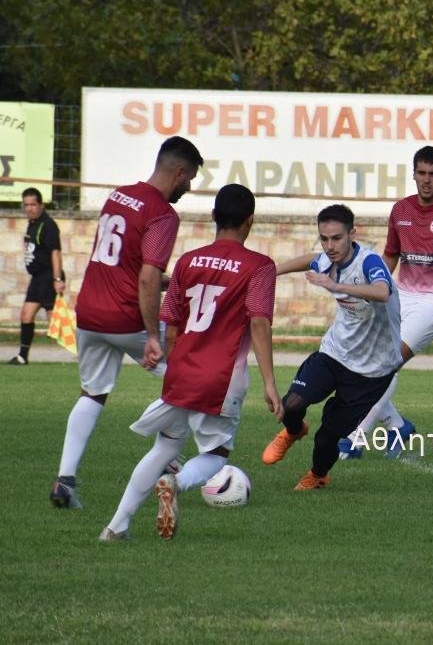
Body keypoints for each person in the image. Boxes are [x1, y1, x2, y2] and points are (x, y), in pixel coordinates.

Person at [99, 184, 281, 541]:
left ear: (214, 217)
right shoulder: (260, 266)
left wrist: (173, 363)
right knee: (216, 453)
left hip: (183, 372)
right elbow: (259, 321)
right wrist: (271, 384)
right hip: (223, 377)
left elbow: (171, 323)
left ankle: (116, 526)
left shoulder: (187, 261)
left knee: (165, 447)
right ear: (250, 221)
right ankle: (175, 482)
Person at [50, 136, 203, 509]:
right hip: (126, 316)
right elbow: (148, 276)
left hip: (88, 311)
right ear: (179, 172)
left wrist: (162, 283)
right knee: (187, 377)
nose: (189, 187)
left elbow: (126, 262)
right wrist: (153, 335)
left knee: (93, 394)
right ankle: (171, 455)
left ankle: (64, 482)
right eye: (190, 179)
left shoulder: (119, 195)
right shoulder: (163, 214)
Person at [337, 145, 433, 460]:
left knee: (388, 362)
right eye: (421, 173)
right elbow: (390, 254)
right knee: (361, 360)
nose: (427, 180)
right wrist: (372, 288)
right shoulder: (401, 210)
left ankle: (355, 437)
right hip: (399, 295)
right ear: (414, 174)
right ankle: (397, 426)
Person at [260, 204, 402, 490]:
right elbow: (312, 260)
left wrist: (338, 287)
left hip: (372, 371)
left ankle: (318, 474)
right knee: (291, 406)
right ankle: (294, 430)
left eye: (336, 238)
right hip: (335, 353)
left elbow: (382, 292)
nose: (330, 246)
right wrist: (272, 272)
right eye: (324, 238)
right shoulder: (326, 260)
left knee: (327, 437)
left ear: (352, 233)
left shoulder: (369, 262)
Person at [8, 188, 65, 365]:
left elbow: (55, 253)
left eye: (33, 204)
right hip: (37, 278)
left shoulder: (48, 225)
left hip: (49, 277)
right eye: (26, 205)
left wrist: (57, 280)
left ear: (41, 205)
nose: (30, 208)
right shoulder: (32, 224)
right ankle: (22, 356)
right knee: (26, 315)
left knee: (55, 321)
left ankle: (82, 352)